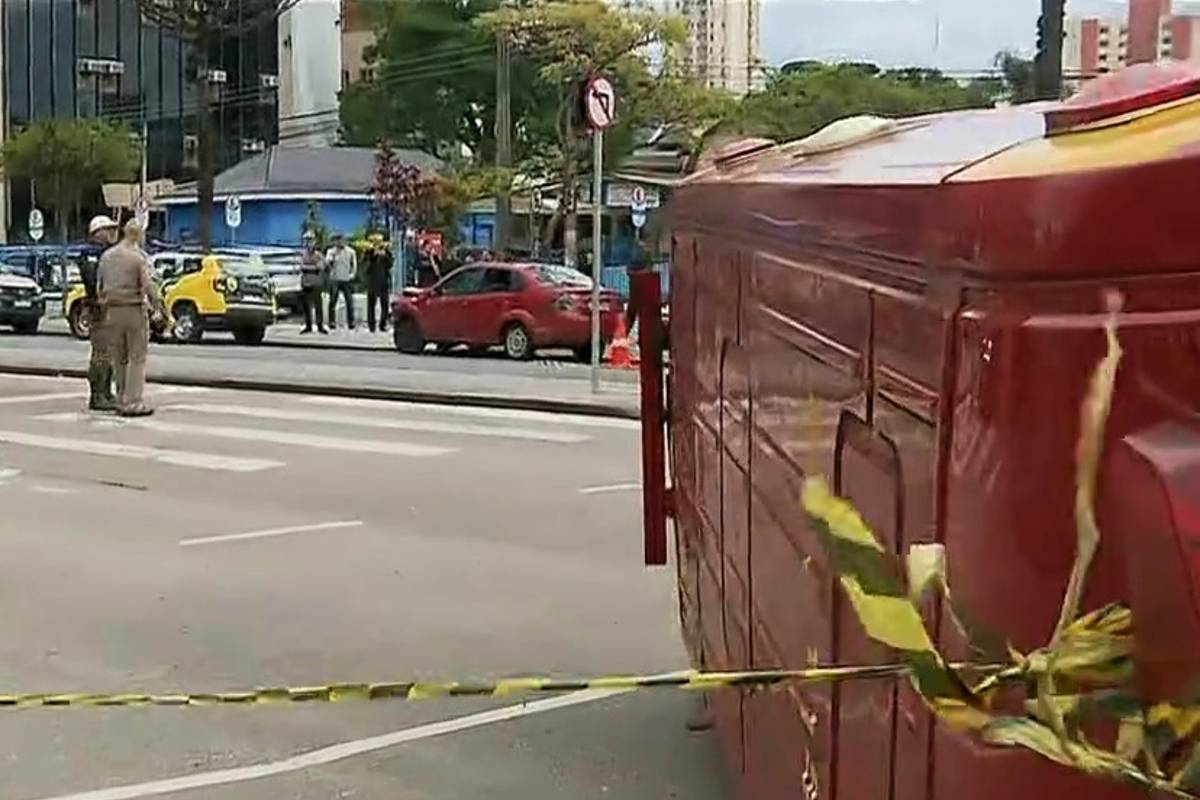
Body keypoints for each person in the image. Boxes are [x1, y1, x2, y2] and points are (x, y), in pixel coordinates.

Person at [97, 220, 165, 417]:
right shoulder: (137, 258)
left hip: (111, 311)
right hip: (133, 310)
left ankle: (120, 398)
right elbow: (148, 286)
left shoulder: (106, 257)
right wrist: (158, 307)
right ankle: (133, 402)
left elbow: (99, 287)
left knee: (119, 358)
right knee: (136, 358)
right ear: (138, 235)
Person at [81, 214, 120, 411]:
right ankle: (98, 394)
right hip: (99, 308)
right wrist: (99, 299)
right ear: (98, 233)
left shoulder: (108, 253)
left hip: (109, 306)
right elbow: (92, 279)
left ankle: (106, 392)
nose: (113, 233)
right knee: (101, 353)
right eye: (109, 230)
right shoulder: (92, 254)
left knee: (109, 352)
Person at [325, 232, 357, 330]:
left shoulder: (351, 251)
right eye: (338, 240)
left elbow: (354, 265)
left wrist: (352, 274)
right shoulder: (331, 252)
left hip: (346, 279)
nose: (340, 242)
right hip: (335, 279)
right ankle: (332, 322)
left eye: (342, 240)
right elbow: (327, 264)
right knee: (333, 301)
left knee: (349, 301)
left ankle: (351, 322)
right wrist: (331, 259)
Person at [299, 230, 328, 334]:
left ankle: (320, 326)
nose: (308, 242)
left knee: (318, 306)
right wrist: (313, 267)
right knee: (306, 306)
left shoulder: (318, 254)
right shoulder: (302, 254)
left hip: (316, 283)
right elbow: (301, 266)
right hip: (306, 283)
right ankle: (308, 326)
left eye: (310, 240)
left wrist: (308, 267)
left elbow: (321, 266)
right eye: (306, 240)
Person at [363, 233, 392, 333]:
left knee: (385, 304)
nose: (377, 243)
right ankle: (371, 326)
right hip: (372, 280)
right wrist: (373, 255)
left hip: (384, 281)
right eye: (376, 241)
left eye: (379, 241)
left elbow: (390, 263)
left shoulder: (386, 251)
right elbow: (365, 262)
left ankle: (383, 324)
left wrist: (385, 255)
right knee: (371, 304)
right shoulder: (369, 251)